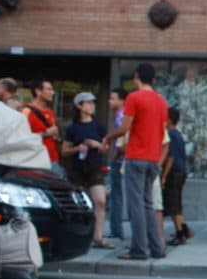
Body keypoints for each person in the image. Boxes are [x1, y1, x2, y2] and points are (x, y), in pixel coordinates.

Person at [104, 62, 168, 260]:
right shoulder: (161, 101)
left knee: (135, 205)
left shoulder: (134, 97)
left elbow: (124, 128)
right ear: (154, 80)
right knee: (148, 204)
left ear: (136, 76)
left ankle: (138, 249)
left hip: (136, 156)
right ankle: (157, 248)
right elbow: (162, 130)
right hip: (153, 158)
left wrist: (109, 136)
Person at [61, 91, 114, 250]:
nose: (91, 106)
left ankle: (98, 237)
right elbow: (64, 151)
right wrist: (78, 148)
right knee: (79, 203)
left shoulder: (99, 126)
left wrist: (96, 145)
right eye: (88, 103)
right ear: (79, 106)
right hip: (76, 168)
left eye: (93, 103)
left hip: (95, 167)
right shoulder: (72, 128)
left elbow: (107, 148)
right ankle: (78, 235)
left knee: (100, 201)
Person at [162, 107, 192, 246]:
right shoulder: (178, 134)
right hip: (181, 171)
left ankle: (180, 234)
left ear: (168, 120)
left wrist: (163, 176)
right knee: (177, 202)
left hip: (173, 172)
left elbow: (171, 157)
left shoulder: (170, 134)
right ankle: (185, 229)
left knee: (172, 203)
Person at [21, 79, 63, 176]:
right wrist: (45, 133)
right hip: (35, 162)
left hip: (53, 161)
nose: (52, 92)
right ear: (38, 91)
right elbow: (21, 138)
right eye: (49, 89)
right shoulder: (26, 112)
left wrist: (56, 136)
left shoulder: (51, 112)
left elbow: (54, 137)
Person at [106, 87, 127, 240]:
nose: (110, 101)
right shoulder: (121, 116)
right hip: (122, 160)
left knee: (116, 196)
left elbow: (122, 143)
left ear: (122, 100)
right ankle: (116, 229)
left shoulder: (121, 117)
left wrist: (114, 157)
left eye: (113, 98)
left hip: (119, 161)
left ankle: (116, 230)